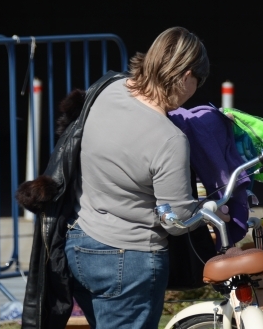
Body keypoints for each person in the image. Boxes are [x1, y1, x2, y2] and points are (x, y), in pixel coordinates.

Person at [66, 27, 210, 329]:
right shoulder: (169, 139)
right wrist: (207, 211)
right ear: (186, 76)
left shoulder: (108, 89)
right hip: (129, 261)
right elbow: (176, 220)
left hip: (81, 245)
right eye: (198, 82)